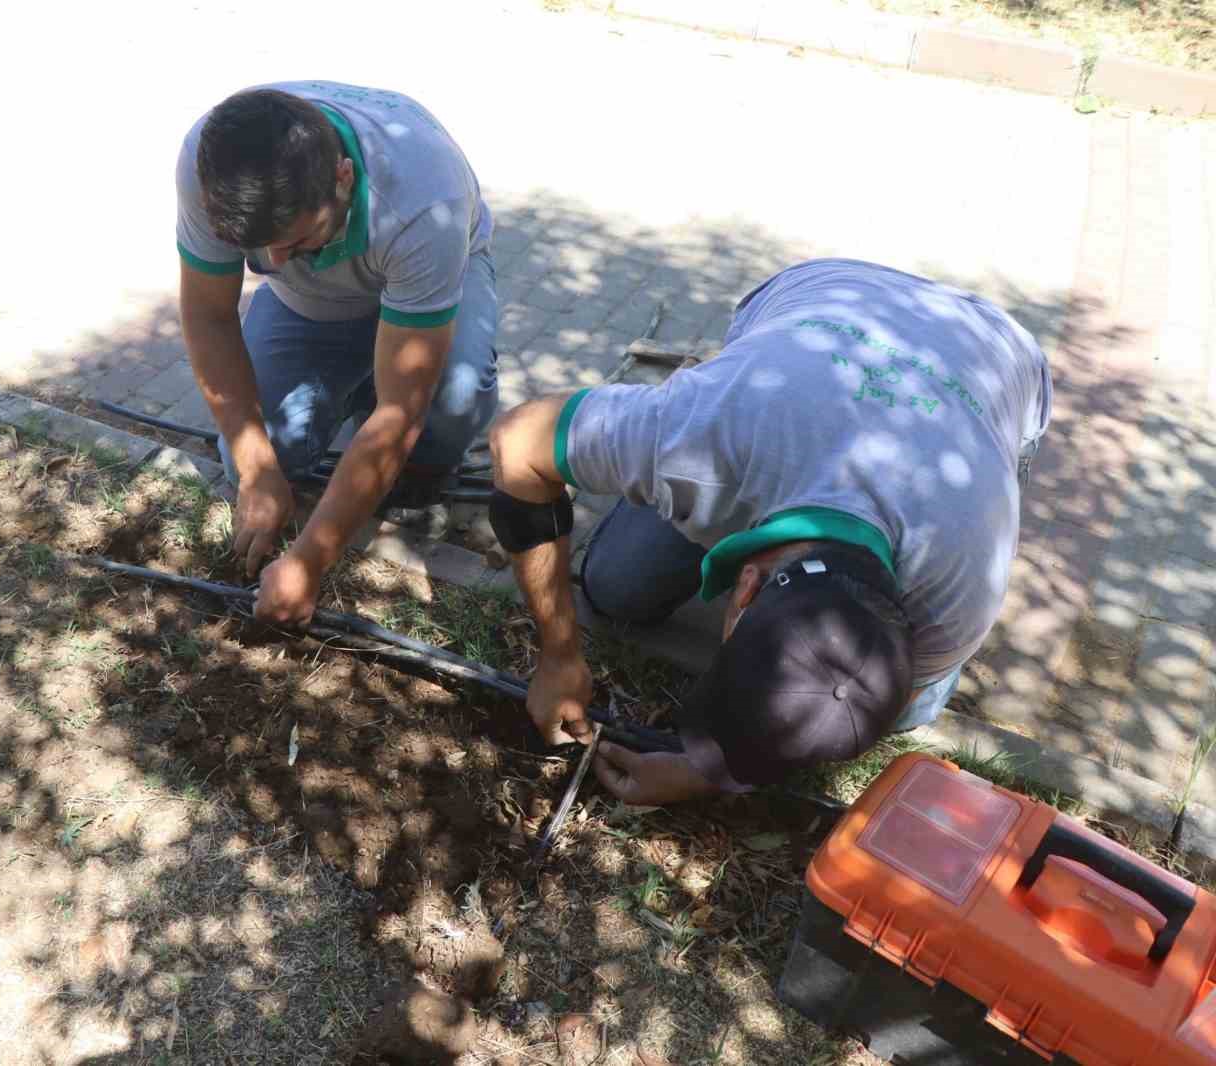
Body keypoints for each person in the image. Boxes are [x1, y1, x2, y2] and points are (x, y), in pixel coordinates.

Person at [486, 258, 1052, 804]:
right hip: (831, 292)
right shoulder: (699, 433)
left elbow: (857, 698)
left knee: (909, 710)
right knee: (618, 587)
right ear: (745, 586)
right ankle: (729, 368)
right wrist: (558, 653)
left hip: (997, 360)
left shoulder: (961, 595)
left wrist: (708, 775)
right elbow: (517, 443)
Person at [175, 81, 497, 625]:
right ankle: (357, 381)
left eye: (298, 242)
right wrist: (256, 469)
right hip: (313, 305)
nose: (275, 262)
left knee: (452, 399)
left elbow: (400, 411)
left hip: (426, 275)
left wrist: (309, 560)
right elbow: (208, 316)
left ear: (343, 177)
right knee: (254, 453)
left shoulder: (424, 205)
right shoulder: (211, 165)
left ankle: (420, 471)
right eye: (259, 248)